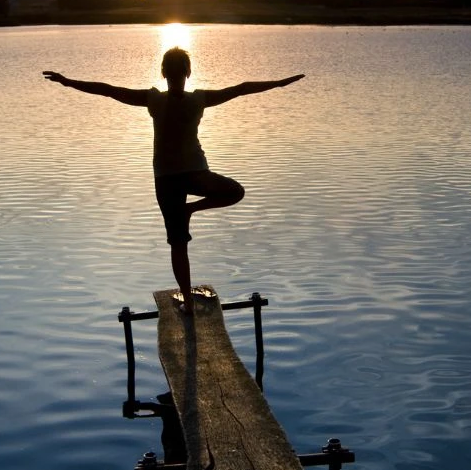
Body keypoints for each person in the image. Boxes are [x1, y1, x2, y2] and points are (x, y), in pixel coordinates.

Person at [43, 47, 303, 314]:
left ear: (163, 72)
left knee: (178, 244)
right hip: (195, 174)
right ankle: (190, 212)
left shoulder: (153, 100)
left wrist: (68, 81)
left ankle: (188, 302)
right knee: (235, 192)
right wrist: (279, 84)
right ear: (189, 72)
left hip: (166, 179)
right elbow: (241, 88)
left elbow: (108, 89)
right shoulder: (198, 99)